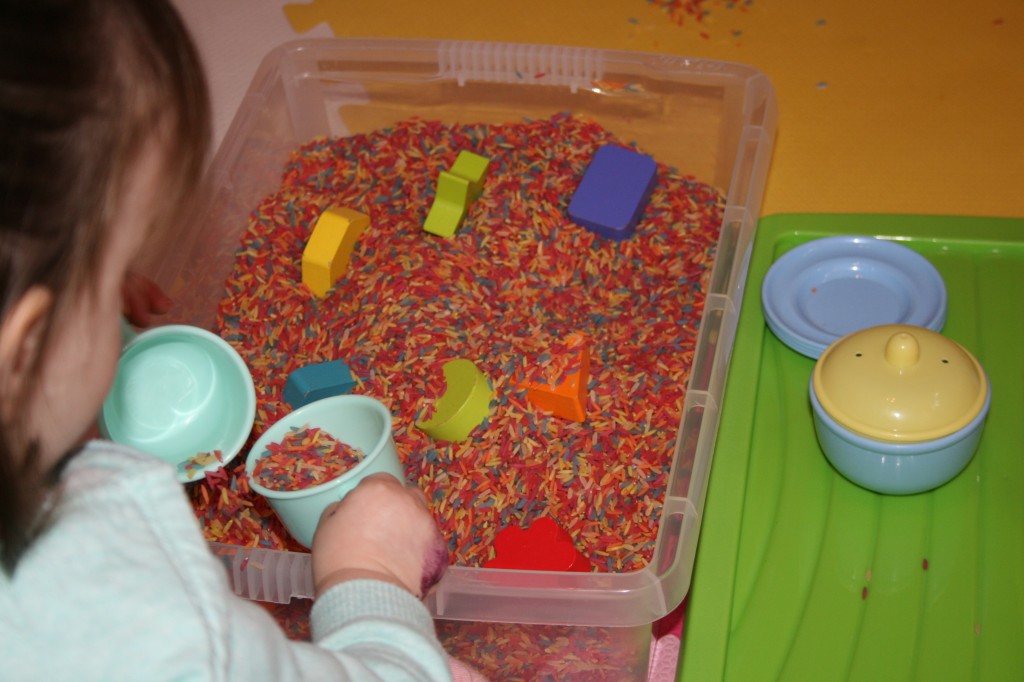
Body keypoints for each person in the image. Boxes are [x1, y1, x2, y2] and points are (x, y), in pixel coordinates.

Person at [0, 1, 460, 679]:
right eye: (104, 280)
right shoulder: (121, 617)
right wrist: (371, 574)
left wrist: (91, 296)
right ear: (27, 346)